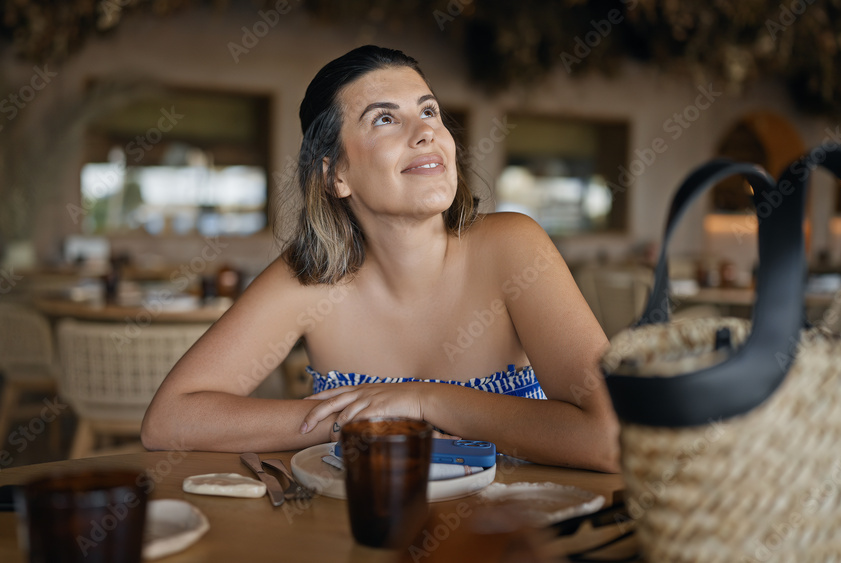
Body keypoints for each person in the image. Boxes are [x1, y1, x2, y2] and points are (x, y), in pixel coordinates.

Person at [142, 45, 619, 472]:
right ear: (336, 175)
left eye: (428, 111)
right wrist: (363, 419)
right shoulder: (310, 279)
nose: (426, 132)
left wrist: (426, 401)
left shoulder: (514, 246)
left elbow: (611, 438)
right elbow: (170, 420)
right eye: (384, 119)